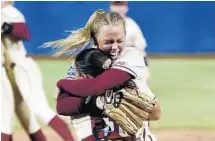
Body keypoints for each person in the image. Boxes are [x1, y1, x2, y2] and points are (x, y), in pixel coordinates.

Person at [44, 9, 161, 141]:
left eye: (120, 41)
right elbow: (63, 105)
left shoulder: (131, 57)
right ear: (95, 39)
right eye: (109, 42)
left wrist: (63, 84)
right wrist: (98, 103)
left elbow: (97, 86)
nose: (115, 47)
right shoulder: (83, 62)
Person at [1, 1, 74, 141]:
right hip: (7, 74)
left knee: (39, 109)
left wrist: (8, 27)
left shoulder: (10, 12)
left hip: (22, 68)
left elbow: (25, 32)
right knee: (20, 119)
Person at [110, 1, 150, 78]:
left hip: (128, 60)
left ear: (126, 8)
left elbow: (141, 48)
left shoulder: (132, 25)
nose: (119, 8)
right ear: (111, 7)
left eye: (121, 5)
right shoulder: (102, 23)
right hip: (108, 60)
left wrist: (145, 66)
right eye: (116, 5)